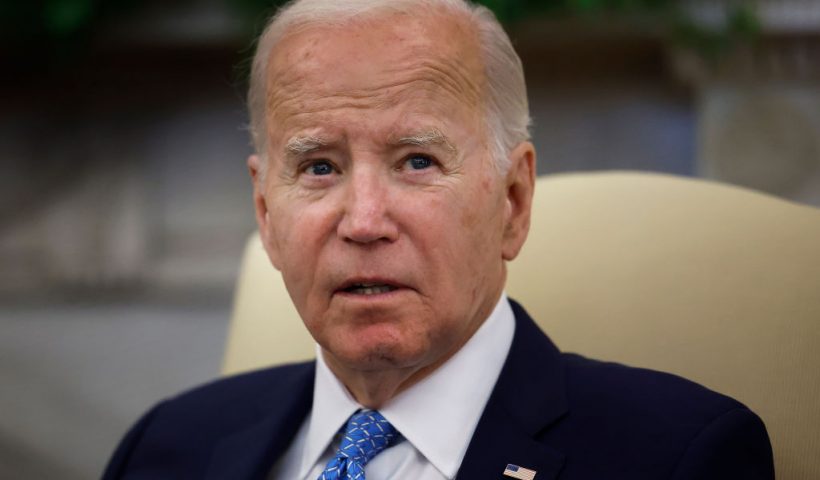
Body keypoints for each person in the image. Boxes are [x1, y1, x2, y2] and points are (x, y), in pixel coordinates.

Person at [103, 0, 774, 478]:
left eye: (417, 162)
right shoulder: (165, 448)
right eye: (318, 168)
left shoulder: (680, 456)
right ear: (266, 214)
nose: (364, 221)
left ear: (513, 202)